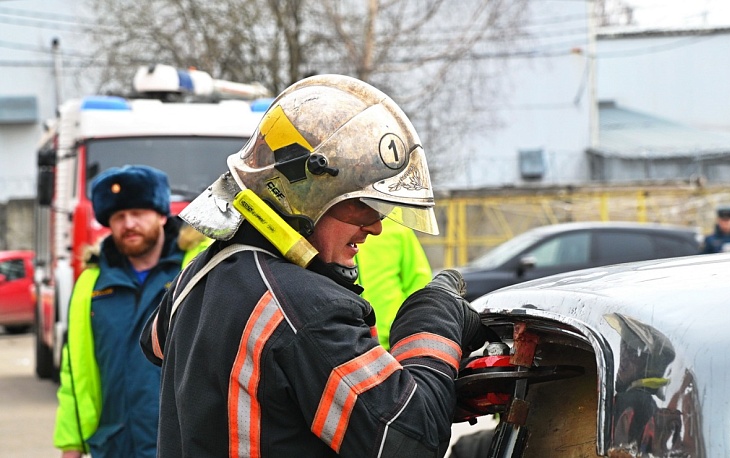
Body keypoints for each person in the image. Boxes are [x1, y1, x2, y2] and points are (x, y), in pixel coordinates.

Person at [140, 74, 495, 457]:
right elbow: (410, 439)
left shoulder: (198, 276)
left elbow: (156, 345)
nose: (375, 226)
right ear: (302, 196)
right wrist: (432, 315)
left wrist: (438, 390)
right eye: (362, 205)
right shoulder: (302, 310)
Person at [53, 165, 208, 458]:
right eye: (119, 217)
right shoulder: (90, 283)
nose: (129, 223)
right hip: (114, 444)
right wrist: (71, 444)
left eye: (138, 213)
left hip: (180, 445)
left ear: (162, 215)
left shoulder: (195, 271)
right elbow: (76, 372)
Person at [355, 215, 433, 349]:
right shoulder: (334, 220)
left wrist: (410, 327)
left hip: (394, 342)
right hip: (349, 340)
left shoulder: (396, 223)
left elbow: (419, 283)